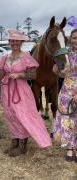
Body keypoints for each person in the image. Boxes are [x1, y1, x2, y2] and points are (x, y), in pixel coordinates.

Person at [0, 29, 52, 157]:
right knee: (11, 115)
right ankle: (14, 142)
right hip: (7, 91)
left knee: (22, 116)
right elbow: (1, 75)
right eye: (12, 40)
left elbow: (33, 75)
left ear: (21, 42)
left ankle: (23, 146)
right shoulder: (5, 57)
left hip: (21, 91)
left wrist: (20, 74)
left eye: (17, 40)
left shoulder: (26, 57)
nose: (14, 42)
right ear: (10, 42)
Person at [53, 29, 77, 162]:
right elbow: (61, 73)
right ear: (70, 39)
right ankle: (69, 147)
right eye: (74, 38)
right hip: (66, 89)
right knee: (68, 119)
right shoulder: (65, 54)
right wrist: (57, 68)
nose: (76, 41)